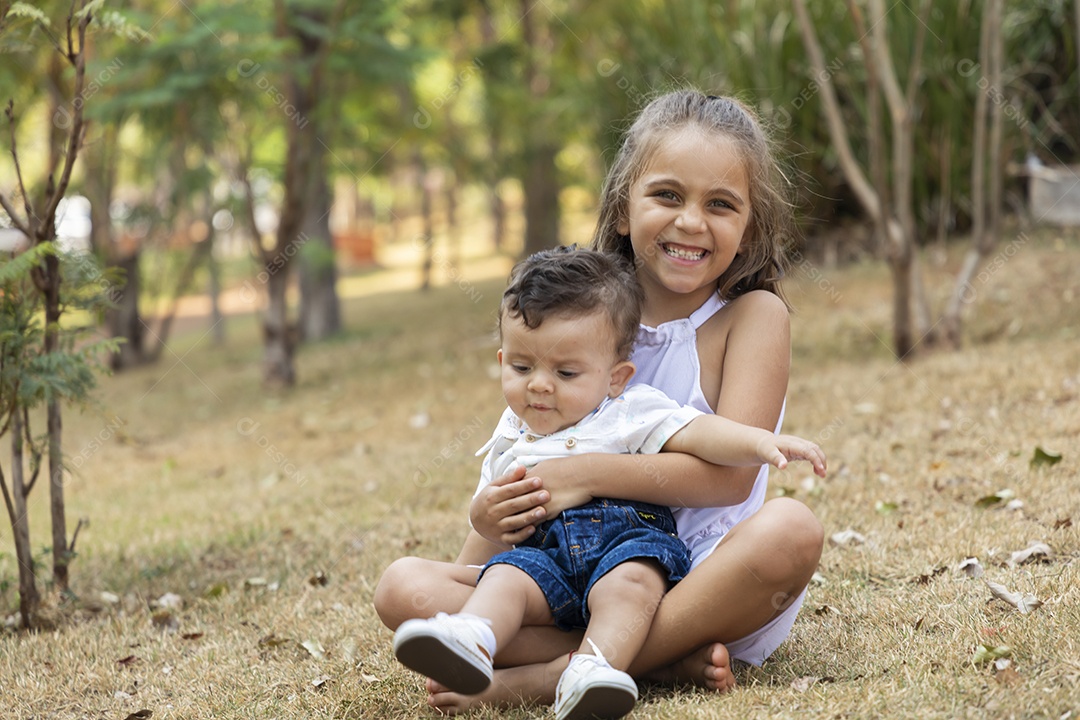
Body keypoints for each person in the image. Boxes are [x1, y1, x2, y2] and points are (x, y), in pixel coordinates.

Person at [374, 89, 824, 715]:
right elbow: (524, 475)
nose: (691, 222)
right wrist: (487, 526)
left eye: (720, 205)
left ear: (748, 227)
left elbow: (728, 480)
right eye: (667, 195)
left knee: (793, 532)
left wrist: (581, 474)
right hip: (563, 578)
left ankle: (547, 675)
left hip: (704, 578)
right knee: (403, 589)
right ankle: (644, 659)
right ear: (621, 209)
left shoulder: (751, 317)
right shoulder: (579, 320)